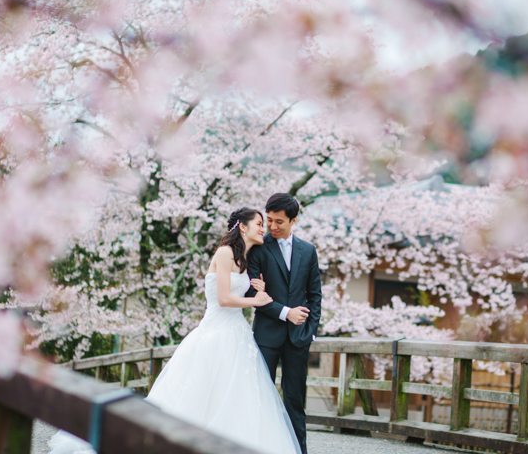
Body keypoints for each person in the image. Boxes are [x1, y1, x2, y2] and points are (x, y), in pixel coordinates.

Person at [48, 207, 301, 454]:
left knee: (237, 395)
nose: (263, 228)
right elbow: (223, 298)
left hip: (238, 334)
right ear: (243, 227)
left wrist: (258, 290)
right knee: (196, 394)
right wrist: (255, 302)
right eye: (259, 224)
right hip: (215, 333)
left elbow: (238, 292)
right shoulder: (224, 253)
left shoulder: (244, 260)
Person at [245, 194, 322, 454]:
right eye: (269, 220)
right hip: (266, 337)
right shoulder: (257, 247)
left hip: (298, 339)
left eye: (279, 221)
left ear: (293, 220)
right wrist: (285, 312)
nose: (272, 226)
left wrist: (310, 331)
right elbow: (250, 295)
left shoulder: (308, 251)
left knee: (295, 401)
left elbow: (315, 295)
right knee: (261, 400)